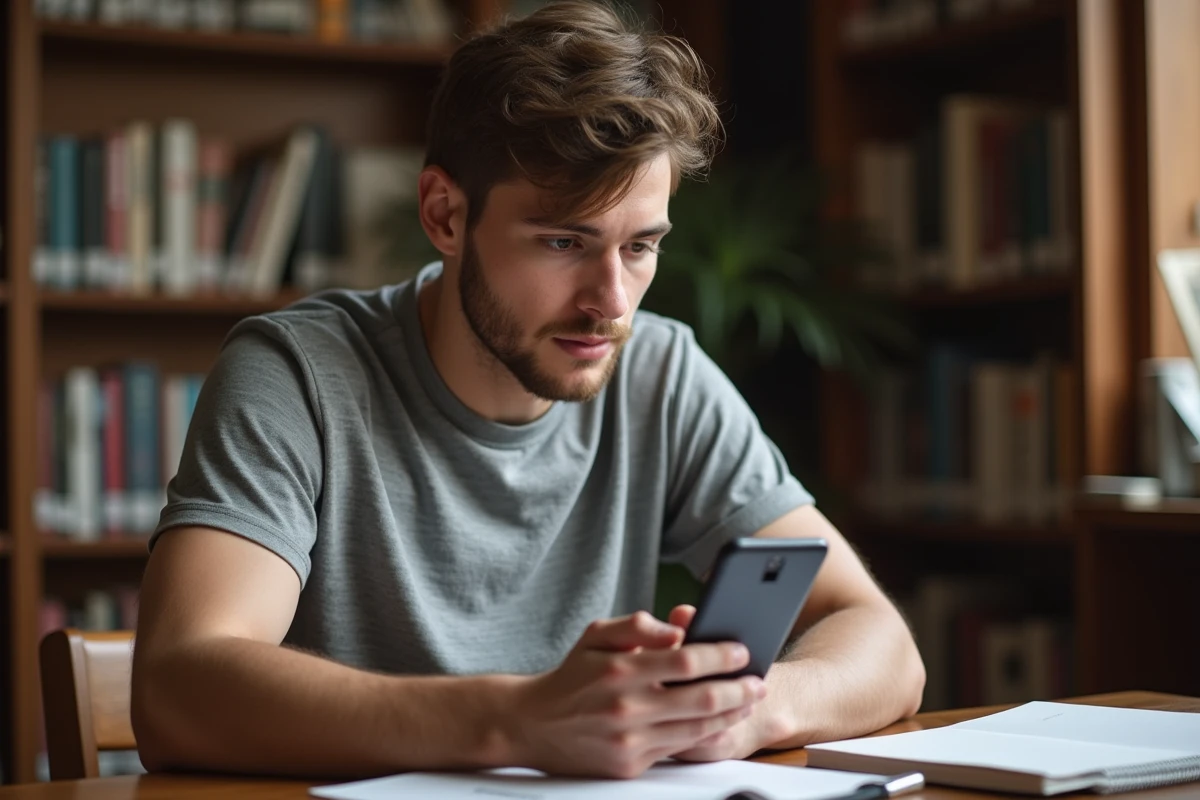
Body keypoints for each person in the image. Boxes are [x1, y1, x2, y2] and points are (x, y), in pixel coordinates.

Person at [131, 0, 924, 781]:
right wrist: (516, 721)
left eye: (640, 246)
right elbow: (178, 688)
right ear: (445, 214)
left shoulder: (661, 374)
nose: (611, 301)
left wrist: (740, 711)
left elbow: (880, 641)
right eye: (563, 241)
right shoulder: (298, 374)